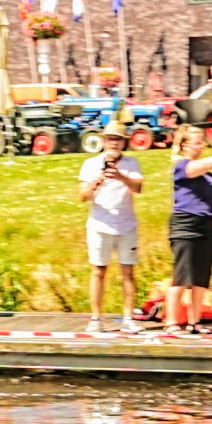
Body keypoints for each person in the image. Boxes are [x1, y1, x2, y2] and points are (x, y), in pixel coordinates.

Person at [161, 125, 212, 334]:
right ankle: (171, 322)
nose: (201, 146)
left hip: (205, 224)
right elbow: (199, 168)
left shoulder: (207, 173)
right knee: (182, 274)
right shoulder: (182, 166)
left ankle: (194, 321)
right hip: (185, 224)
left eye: (202, 142)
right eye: (196, 142)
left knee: (200, 277)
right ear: (185, 145)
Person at [77, 127, 145, 335]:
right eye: (109, 139)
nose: (113, 144)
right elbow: (82, 197)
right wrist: (97, 182)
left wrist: (121, 176)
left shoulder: (131, 164)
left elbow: (138, 188)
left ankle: (128, 318)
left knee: (128, 272)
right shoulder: (91, 164)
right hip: (99, 225)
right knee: (98, 270)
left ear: (124, 143)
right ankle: (96, 318)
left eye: (118, 140)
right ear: (104, 142)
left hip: (126, 225)